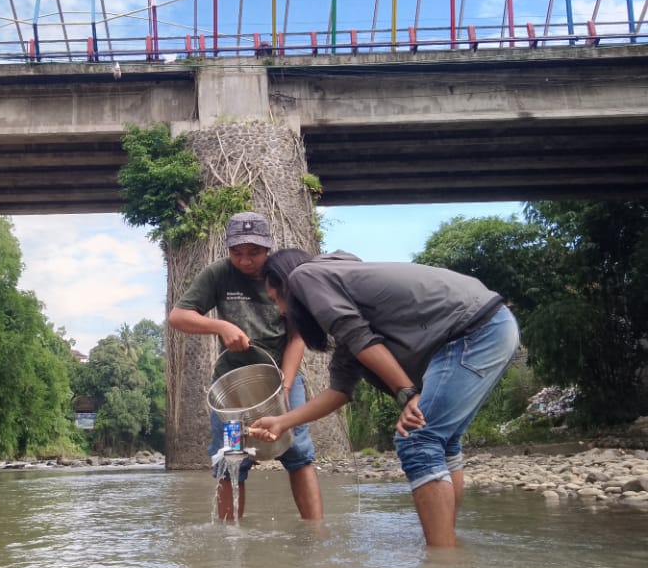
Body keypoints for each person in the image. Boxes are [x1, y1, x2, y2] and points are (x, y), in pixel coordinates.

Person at [250, 248, 520, 546]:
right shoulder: (348, 308)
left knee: (418, 438)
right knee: (442, 442)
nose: (281, 312)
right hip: (494, 325)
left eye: (277, 299)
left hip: (473, 332)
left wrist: (406, 392)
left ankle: (444, 563)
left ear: (287, 285)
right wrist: (282, 422)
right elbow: (339, 392)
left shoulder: (304, 276)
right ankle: (448, 549)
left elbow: (358, 335)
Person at [167, 212, 323, 521]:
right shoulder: (219, 274)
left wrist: (286, 386)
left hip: (281, 378)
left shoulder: (283, 276)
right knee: (231, 460)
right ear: (228, 250)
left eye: (254, 253)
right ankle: (230, 536)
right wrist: (220, 326)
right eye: (237, 253)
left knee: (299, 454)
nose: (245, 260)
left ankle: (314, 531)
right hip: (232, 388)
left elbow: (297, 336)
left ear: (267, 248)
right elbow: (178, 316)